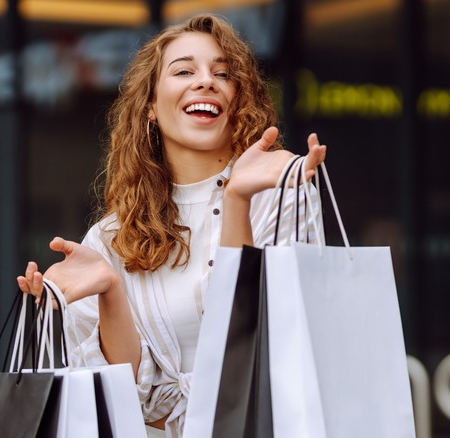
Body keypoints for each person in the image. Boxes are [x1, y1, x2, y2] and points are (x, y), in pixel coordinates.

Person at [17, 14, 326, 438]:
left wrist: (237, 198)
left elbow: (258, 342)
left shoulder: (280, 190)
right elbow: (120, 402)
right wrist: (111, 292)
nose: (206, 81)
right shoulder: (110, 236)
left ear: (238, 99)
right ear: (149, 105)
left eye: (222, 73)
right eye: (184, 71)